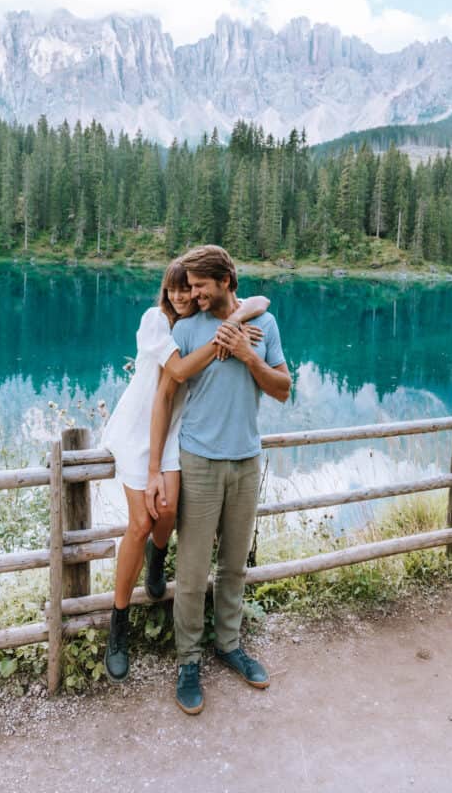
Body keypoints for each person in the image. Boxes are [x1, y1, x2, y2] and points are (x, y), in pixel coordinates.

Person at [101, 258, 270, 682]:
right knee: (140, 523)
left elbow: (260, 298)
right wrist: (226, 340)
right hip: (140, 431)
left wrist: (237, 317)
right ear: (165, 289)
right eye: (177, 288)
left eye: (190, 288)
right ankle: (118, 623)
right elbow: (176, 371)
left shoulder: (198, 317)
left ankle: (158, 561)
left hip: (178, 433)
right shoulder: (157, 321)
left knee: (171, 511)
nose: (184, 295)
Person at [147, 245, 290, 714]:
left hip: (246, 461)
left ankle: (229, 644)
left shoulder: (263, 326)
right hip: (200, 462)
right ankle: (188, 659)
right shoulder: (186, 330)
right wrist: (155, 468)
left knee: (233, 565)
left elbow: (284, 389)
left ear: (226, 280)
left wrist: (250, 356)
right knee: (190, 572)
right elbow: (164, 396)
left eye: (200, 286)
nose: (193, 294)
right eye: (189, 286)